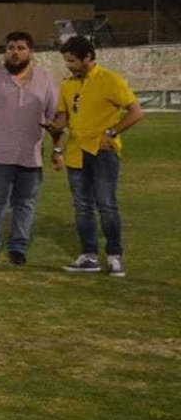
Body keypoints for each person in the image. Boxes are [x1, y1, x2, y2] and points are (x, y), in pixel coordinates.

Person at [0, 32, 58, 266]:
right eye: (10, 48)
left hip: (31, 155)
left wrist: (57, 149)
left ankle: (18, 247)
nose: (15, 52)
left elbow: (56, 118)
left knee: (25, 203)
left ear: (30, 52)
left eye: (21, 48)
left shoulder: (45, 80)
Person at [52, 35, 144, 276]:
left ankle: (114, 257)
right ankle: (89, 256)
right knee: (82, 208)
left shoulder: (110, 80)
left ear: (88, 58)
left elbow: (136, 112)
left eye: (72, 61)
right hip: (75, 153)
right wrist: (54, 131)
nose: (68, 65)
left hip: (103, 154)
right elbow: (62, 118)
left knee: (107, 206)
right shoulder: (67, 84)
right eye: (66, 61)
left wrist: (111, 133)